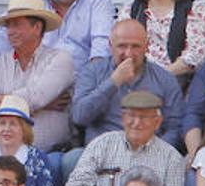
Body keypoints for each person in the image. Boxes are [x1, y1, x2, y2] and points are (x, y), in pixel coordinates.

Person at [74, 18, 185, 149]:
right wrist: (114, 82)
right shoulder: (92, 72)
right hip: (101, 151)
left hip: (150, 152)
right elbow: (79, 117)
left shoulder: (164, 79)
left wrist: (156, 152)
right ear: (110, 45)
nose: (128, 53)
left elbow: (175, 126)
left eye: (135, 46)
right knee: (70, 160)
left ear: (147, 46)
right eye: (122, 46)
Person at [0, 0, 76, 152]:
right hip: (5, 154)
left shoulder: (61, 59)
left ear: (37, 27)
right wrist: (39, 105)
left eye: (17, 25)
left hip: (50, 152)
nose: (10, 31)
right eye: (8, 26)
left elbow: (36, 97)